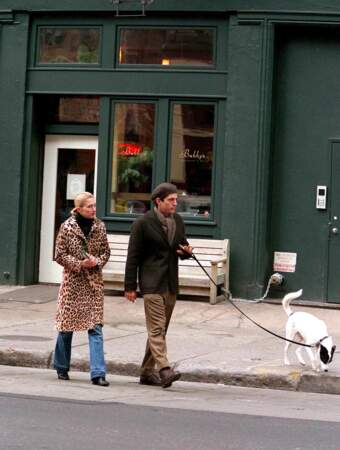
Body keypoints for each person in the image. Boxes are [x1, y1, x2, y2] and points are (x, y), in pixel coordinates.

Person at [124, 182, 193, 388]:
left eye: (176, 200)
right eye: (171, 200)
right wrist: (130, 286)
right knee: (156, 329)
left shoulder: (178, 221)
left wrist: (187, 253)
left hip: (171, 283)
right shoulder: (142, 224)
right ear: (158, 201)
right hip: (151, 283)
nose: (175, 204)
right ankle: (164, 369)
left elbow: (181, 246)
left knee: (160, 330)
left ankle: (146, 372)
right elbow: (133, 257)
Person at [53, 192, 111, 386]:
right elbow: (59, 254)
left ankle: (98, 373)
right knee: (66, 328)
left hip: (93, 282)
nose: (93, 209)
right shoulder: (67, 227)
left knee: (95, 327)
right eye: (89, 206)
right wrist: (79, 263)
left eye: (94, 206)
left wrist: (97, 261)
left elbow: (106, 251)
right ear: (78, 209)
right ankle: (61, 366)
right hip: (73, 283)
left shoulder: (100, 226)